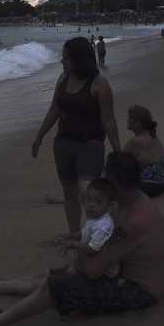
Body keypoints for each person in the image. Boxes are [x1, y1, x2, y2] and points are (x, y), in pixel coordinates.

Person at [0, 152, 164, 326]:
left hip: (139, 292)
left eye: (104, 175)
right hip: (121, 271)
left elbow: (92, 269)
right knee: (47, 275)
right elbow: (102, 232)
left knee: (54, 285)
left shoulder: (134, 220)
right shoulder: (130, 200)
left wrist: (77, 251)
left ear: (113, 181)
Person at [32, 37, 120, 236]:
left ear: (78, 60)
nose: (61, 62)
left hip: (90, 144)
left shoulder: (99, 84)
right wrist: (39, 136)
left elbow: (108, 119)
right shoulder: (63, 78)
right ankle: (75, 238)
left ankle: (97, 236)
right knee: (70, 194)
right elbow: (55, 109)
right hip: (63, 144)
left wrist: (117, 151)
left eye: (65, 58)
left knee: (88, 193)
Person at [54, 177, 120, 279]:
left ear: (110, 205)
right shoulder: (97, 217)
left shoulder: (102, 225)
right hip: (93, 266)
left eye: (98, 202)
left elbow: (93, 248)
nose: (91, 205)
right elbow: (93, 232)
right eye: (88, 200)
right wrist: (80, 234)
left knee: (60, 277)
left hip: (103, 274)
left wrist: (73, 244)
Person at [122, 105, 164, 197]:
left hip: (149, 186)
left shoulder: (135, 141)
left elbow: (117, 162)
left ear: (138, 122)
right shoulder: (153, 136)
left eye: (130, 118)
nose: (127, 120)